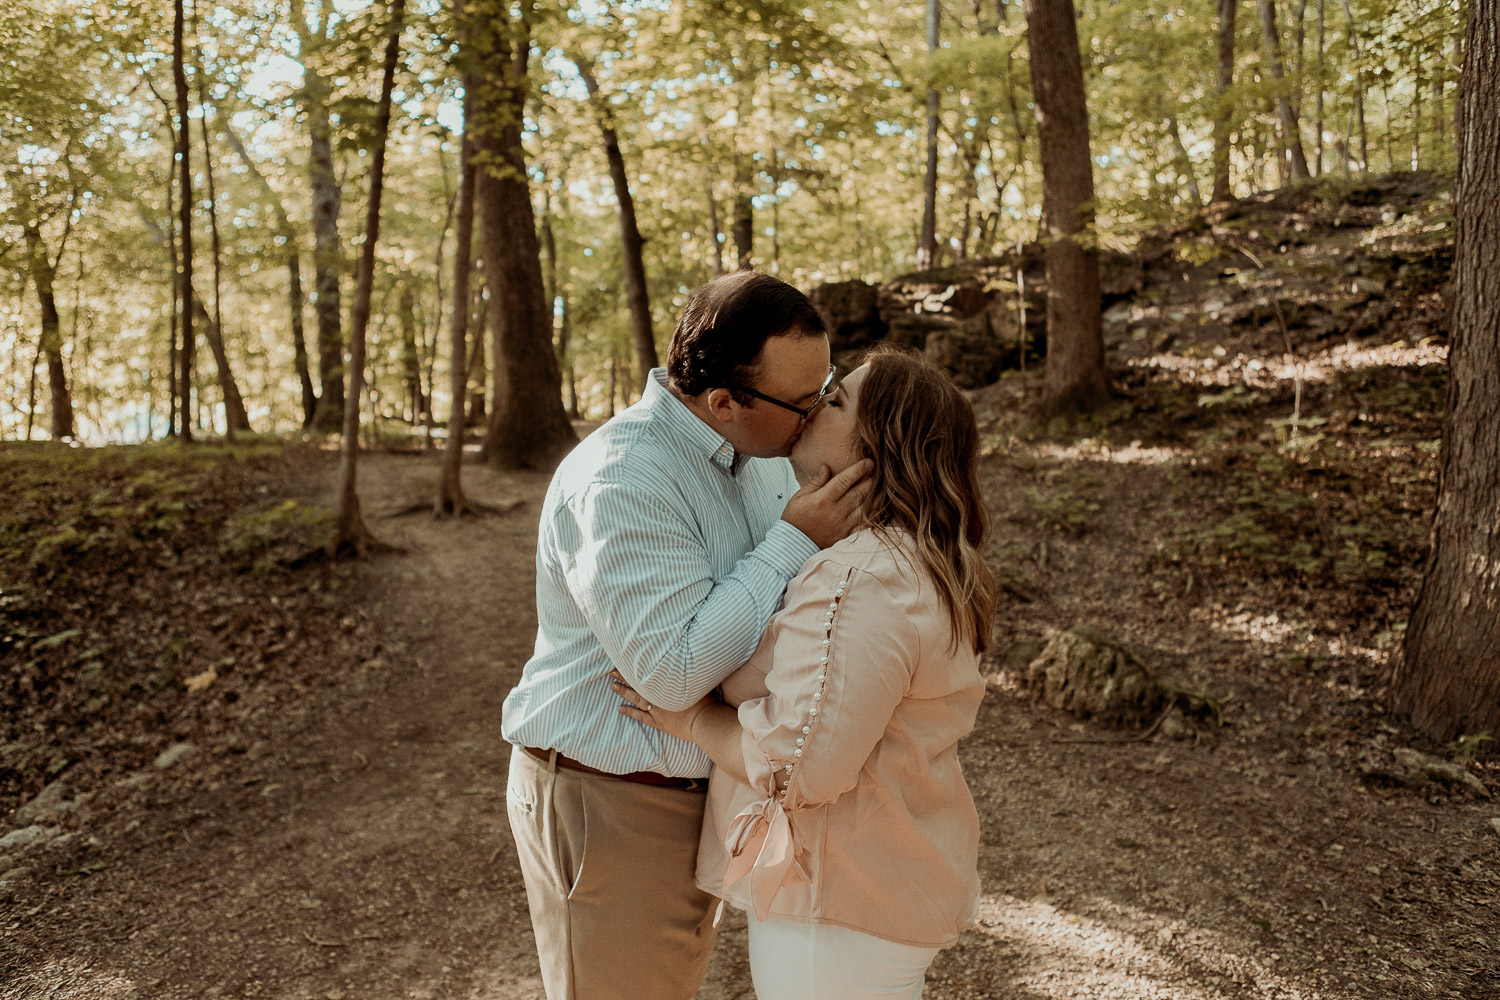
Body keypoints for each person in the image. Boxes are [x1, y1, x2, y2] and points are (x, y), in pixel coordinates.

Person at [501, 269, 874, 1000]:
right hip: (610, 798)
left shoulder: (758, 454)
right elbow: (670, 673)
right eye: (802, 403)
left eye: (826, 389)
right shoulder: (623, 478)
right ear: (724, 401)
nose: (814, 417)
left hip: (693, 784)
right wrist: (794, 540)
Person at [612, 346, 997, 1000]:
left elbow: (797, 769)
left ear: (880, 447)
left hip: (843, 901)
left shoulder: (861, 581)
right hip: (874, 890)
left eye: (838, 401)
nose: (816, 405)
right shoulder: (905, 562)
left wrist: (691, 718)